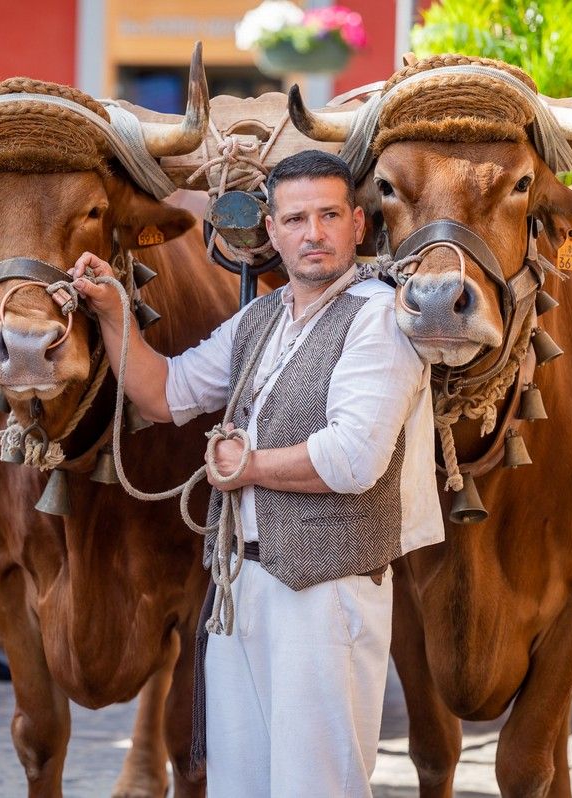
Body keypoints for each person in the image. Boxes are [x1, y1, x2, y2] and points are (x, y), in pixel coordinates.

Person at [59, 151, 442, 796]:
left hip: (327, 590)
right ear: (271, 232)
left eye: (327, 216)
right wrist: (114, 311)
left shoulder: (381, 317)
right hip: (242, 581)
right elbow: (167, 392)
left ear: (358, 224)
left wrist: (250, 466)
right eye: (295, 219)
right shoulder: (260, 319)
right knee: (242, 782)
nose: (312, 234)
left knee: (315, 784)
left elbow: (353, 459)